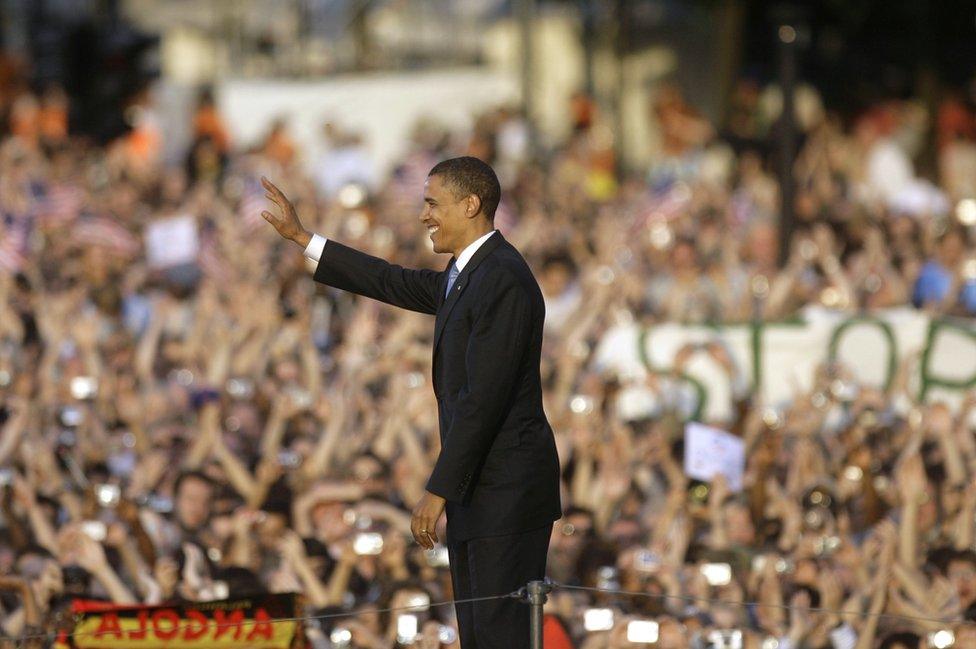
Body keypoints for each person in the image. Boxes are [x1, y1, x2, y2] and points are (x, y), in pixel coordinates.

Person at [260, 156, 562, 648]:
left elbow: (483, 400)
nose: (424, 215)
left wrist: (437, 491)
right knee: (479, 637)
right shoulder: (467, 273)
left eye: (432, 203)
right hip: (481, 492)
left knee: (499, 637)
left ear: (471, 204)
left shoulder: (502, 277)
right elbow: (393, 281)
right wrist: (304, 239)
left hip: (504, 493)